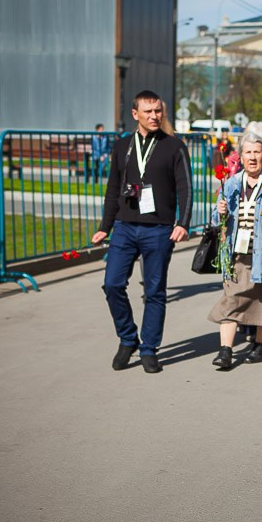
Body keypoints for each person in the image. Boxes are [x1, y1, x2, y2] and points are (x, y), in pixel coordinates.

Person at [92, 90, 192, 373]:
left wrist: (182, 222)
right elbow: (113, 189)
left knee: (155, 291)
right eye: (148, 111)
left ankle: (149, 348)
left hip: (159, 230)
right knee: (112, 284)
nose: (154, 116)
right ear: (135, 114)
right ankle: (127, 339)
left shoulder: (174, 147)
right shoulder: (122, 146)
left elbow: (185, 187)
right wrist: (105, 226)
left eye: (158, 111)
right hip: (124, 227)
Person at [207, 131, 262, 369]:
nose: (253, 157)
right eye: (248, 152)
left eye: (257, 152)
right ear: (240, 156)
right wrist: (220, 211)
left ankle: (261, 345)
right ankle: (225, 350)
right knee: (231, 299)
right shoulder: (232, 183)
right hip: (237, 255)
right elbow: (216, 222)